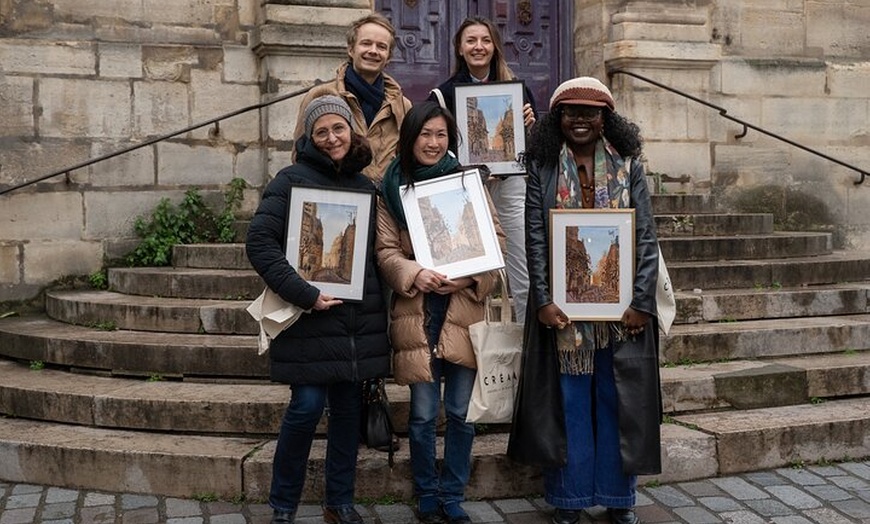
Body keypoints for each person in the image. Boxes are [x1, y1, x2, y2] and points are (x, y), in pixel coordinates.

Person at [508, 77, 662, 524]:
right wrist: (541, 299)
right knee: (569, 404)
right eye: (570, 111)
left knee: (619, 406)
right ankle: (570, 500)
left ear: (605, 119)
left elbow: (646, 238)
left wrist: (641, 302)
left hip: (622, 315)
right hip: (564, 316)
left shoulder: (629, 165)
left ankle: (619, 501)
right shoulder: (542, 168)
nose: (580, 119)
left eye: (590, 112)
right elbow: (535, 239)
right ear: (557, 118)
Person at [246, 95, 390, 524]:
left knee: (347, 415)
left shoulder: (367, 186)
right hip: (309, 318)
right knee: (306, 407)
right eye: (321, 132)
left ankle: (339, 502)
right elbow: (259, 243)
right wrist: (305, 293)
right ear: (309, 137)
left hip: (353, 324)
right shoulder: (290, 180)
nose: (331, 139)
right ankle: (283, 505)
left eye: (338, 129)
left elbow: (372, 256)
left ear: (352, 130)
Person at [375, 101, 505, 524]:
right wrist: (416, 273)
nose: (433, 143)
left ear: (451, 140)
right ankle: (427, 493)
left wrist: (468, 280)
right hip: (418, 313)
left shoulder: (469, 184)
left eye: (441, 135)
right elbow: (385, 251)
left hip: (463, 314)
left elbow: (496, 244)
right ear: (410, 138)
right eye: (425, 135)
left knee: (462, 413)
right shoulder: (391, 187)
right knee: (424, 413)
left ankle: (453, 494)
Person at [428, 16, 536, 325]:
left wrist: (531, 126)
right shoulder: (443, 94)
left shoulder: (517, 90)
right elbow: (436, 146)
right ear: (459, 49)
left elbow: (530, 147)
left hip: (511, 187)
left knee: (521, 265)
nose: (479, 47)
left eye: (485, 40)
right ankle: (469, 345)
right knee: (469, 265)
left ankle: (530, 349)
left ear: (495, 47)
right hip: (466, 188)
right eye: (471, 41)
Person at [294, 12, 411, 184]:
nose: (373, 51)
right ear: (351, 49)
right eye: (366, 43)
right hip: (335, 198)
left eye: (381, 46)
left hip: (384, 206)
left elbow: (406, 160)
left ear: (388, 57)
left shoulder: (402, 105)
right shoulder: (321, 95)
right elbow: (300, 154)